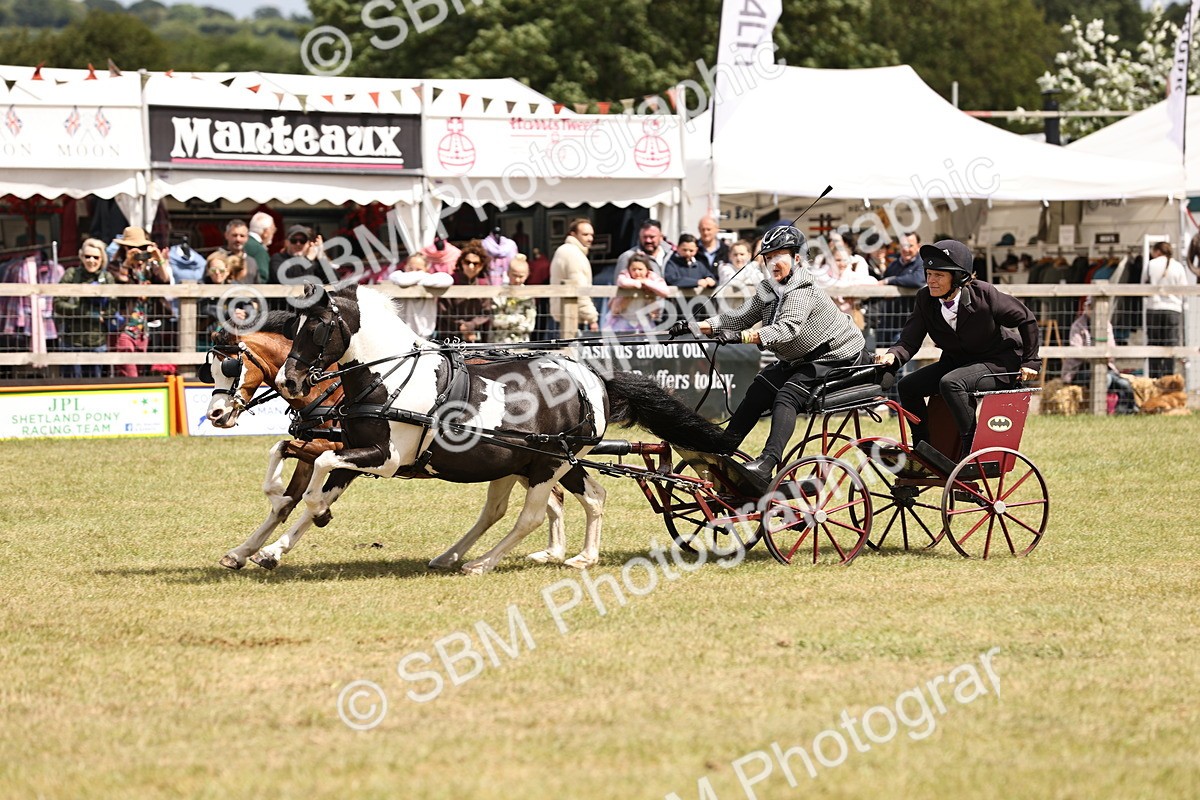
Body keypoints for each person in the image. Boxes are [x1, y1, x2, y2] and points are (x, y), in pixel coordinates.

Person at [674, 225, 869, 487]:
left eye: (779, 256)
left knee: (788, 394)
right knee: (760, 388)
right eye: (768, 257)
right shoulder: (769, 288)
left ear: (797, 258)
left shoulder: (803, 287)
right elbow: (739, 317)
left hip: (837, 354)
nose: (772, 263)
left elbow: (787, 329)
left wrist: (742, 337)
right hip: (801, 358)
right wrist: (695, 326)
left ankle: (767, 463)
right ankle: (722, 448)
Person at [875, 239, 1040, 459]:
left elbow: (1027, 319)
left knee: (951, 382)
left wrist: (1030, 361)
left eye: (939, 275)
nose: (931, 281)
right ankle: (925, 449)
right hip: (957, 362)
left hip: (997, 362)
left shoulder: (985, 295)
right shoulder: (925, 299)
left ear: (959, 277)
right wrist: (892, 356)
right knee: (908, 386)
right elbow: (909, 340)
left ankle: (970, 452)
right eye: (929, 273)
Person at [107, 226, 173, 377]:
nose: (137, 251)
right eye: (131, 248)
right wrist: (127, 262)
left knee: (141, 372)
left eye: (141, 247)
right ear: (124, 248)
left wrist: (159, 258)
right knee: (130, 374)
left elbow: (165, 281)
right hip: (123, 326)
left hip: (143, 329)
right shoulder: (115, 265)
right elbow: (120, 283)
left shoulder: (149, 267)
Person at [54, 238, 115, 379]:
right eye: (88, 256)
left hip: (97, 341)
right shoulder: (71, 274)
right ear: (81, 257)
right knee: (71, 385)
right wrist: (83, 312)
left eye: (96, 257)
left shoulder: (107, 277)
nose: (91, 260)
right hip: (72, 341)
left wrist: (104, 315)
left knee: (96, 387)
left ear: (102, 259)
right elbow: (57, 303)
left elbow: (114, 304)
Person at [1143, 240, 1188, 378]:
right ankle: (1169, 380)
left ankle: (1154, 380)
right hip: (1173, 310)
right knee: (1171, 347)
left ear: (1157, 251)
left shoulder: (1150, 264)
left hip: (1154, 309)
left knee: (1154, 347)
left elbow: (1143, 286)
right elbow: (1184, 289)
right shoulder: (1178, 266)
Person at [549, 218, 600, 334]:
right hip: (572, 318)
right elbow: (579, 289)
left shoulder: (566, 251)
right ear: (573, 234)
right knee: (572, 351)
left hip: (562, 316)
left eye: (591, 234)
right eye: (585, 234)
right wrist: (592, 318)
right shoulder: (573, 254)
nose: (590, 238)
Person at [874, 232, 924, 345]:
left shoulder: (922, 264)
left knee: (899, 358)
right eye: (903, 245)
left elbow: (917, 280)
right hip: (887, 322)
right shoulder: (894, 265)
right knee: (879, 356)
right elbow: (882, 283)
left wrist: (891, 280)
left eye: (910, 245)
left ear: (918, 246)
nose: (906, 249)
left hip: (907, 324)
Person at [437, 241, 492, 343]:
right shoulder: (451, 281)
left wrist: (472, 325)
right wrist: (461, 326)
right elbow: (444, 310)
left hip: (476, 336)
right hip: (450, 335)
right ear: (461, 262)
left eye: (475, 263)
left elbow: (486, 312)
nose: (471, 266)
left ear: (481, 265)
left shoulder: (484, 284)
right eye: (467, 262)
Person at [390, 252, 452, 338]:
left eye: (418, 269)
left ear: (426, 269)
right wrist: (420, 276)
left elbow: (448, 279)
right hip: (401, 334)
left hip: (425, 335)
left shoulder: (431, 279)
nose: (414, 272)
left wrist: (418, 279)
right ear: (405, 267)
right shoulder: (397, 275)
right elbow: (402, 280)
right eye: (410, 268)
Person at [605, 253, 670, 332]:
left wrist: (646, 282)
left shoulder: (652, 277)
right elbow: (622, 282)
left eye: (640, 269)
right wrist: (637, 284)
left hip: (643, 323)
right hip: (622, 321)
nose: (637, 272)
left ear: (647, 269)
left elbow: (665, 291)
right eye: (634, 269)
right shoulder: (625, 276)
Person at [491, 255, 538, 343]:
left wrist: (506, 321)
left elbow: (530, 325)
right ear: (508, 273)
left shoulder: (528, 296)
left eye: (521, 276)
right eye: (514, 275)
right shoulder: (499, 294)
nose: (517, 279)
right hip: (500, 343)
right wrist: (519, 319)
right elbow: (496, 320)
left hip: (521, 344)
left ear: (527, 275)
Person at [217, 219, 257, 284]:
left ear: (247, 238)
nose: (238, 239)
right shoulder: (217, 260)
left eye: (242, 236)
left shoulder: (252, 262)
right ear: (226, 235)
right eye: (234, 235)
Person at [247, 211, 276, 284]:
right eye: (273, 230)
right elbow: (263, 277)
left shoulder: (243, 243)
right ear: (266, 232)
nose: (273, 233)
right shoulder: (259, 250)